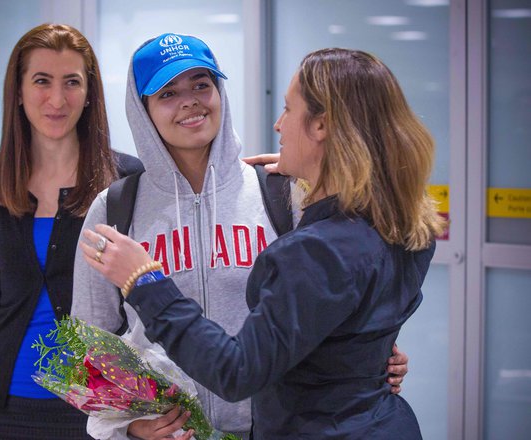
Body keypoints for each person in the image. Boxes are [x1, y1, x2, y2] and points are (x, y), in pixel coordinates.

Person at [81, 47, 446, 439]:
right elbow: (91, 342)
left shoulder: (283, 199)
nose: (277, 123)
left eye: (202, 85)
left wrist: (144, 279)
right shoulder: (116, 207)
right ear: (142, 110)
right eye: (167, 93)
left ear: (321, 126)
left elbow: (243, 368)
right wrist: (125, 429)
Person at [0, 23, 142, 440]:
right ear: (18, 91)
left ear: (90, 92)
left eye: (71, 82)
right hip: (10, 403)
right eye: (42, 81)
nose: (57, 99)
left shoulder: (126, 180)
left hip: (101, 407)